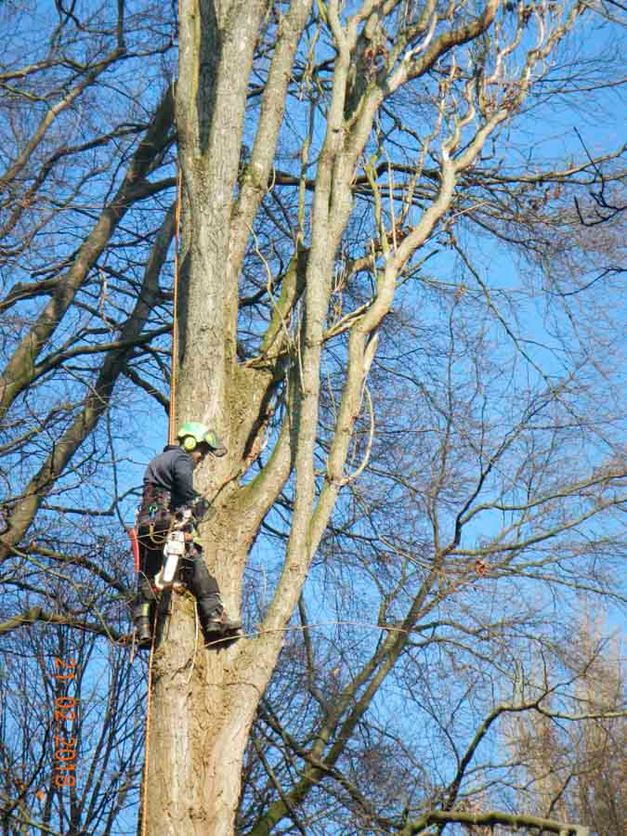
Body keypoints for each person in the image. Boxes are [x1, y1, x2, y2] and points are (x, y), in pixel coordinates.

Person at [132, 421, 241, 647]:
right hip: (166, 522)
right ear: (191, 442)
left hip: (146, 524)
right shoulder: (181, 459)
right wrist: (199, 504)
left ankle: (144, 625)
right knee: (194, 561)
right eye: (201, 453)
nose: (200, 459)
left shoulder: (157, 462)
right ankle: (214, 618)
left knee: (148, 573)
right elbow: (183, 489)